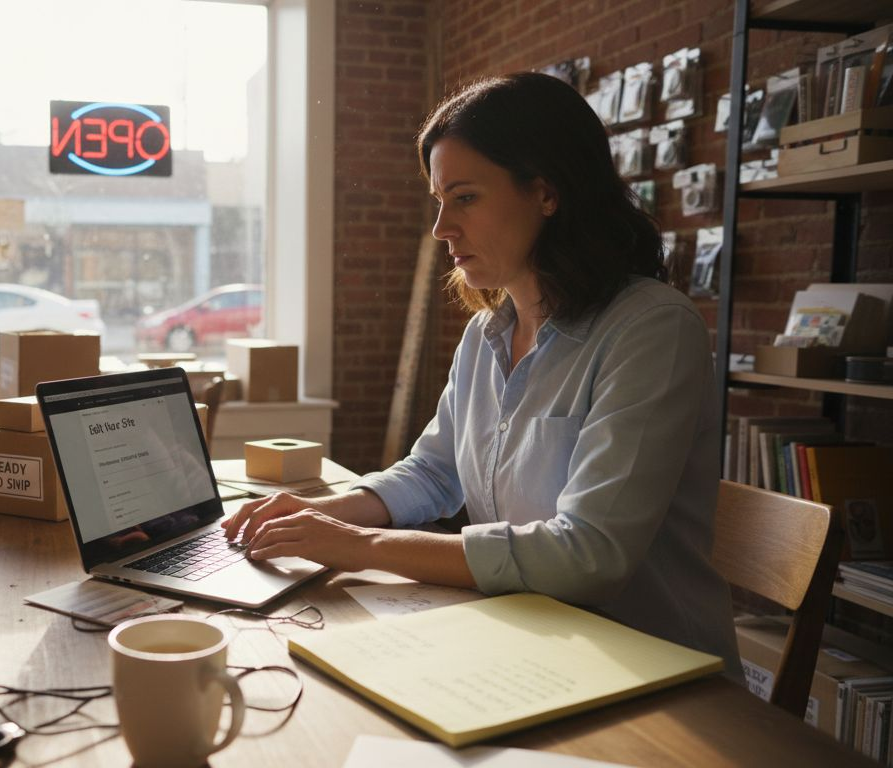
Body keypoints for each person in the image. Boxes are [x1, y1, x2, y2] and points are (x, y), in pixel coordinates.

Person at [222, 72, 741, 671]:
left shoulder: (652, 329)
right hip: (530, 640)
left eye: (465, 198)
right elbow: (434, 472)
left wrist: (361, 546)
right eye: (439, 201)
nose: (441, 228)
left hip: (651, 667)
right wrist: (321, 515)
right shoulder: (485, 333)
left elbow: (589, 555)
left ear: (547, 193)